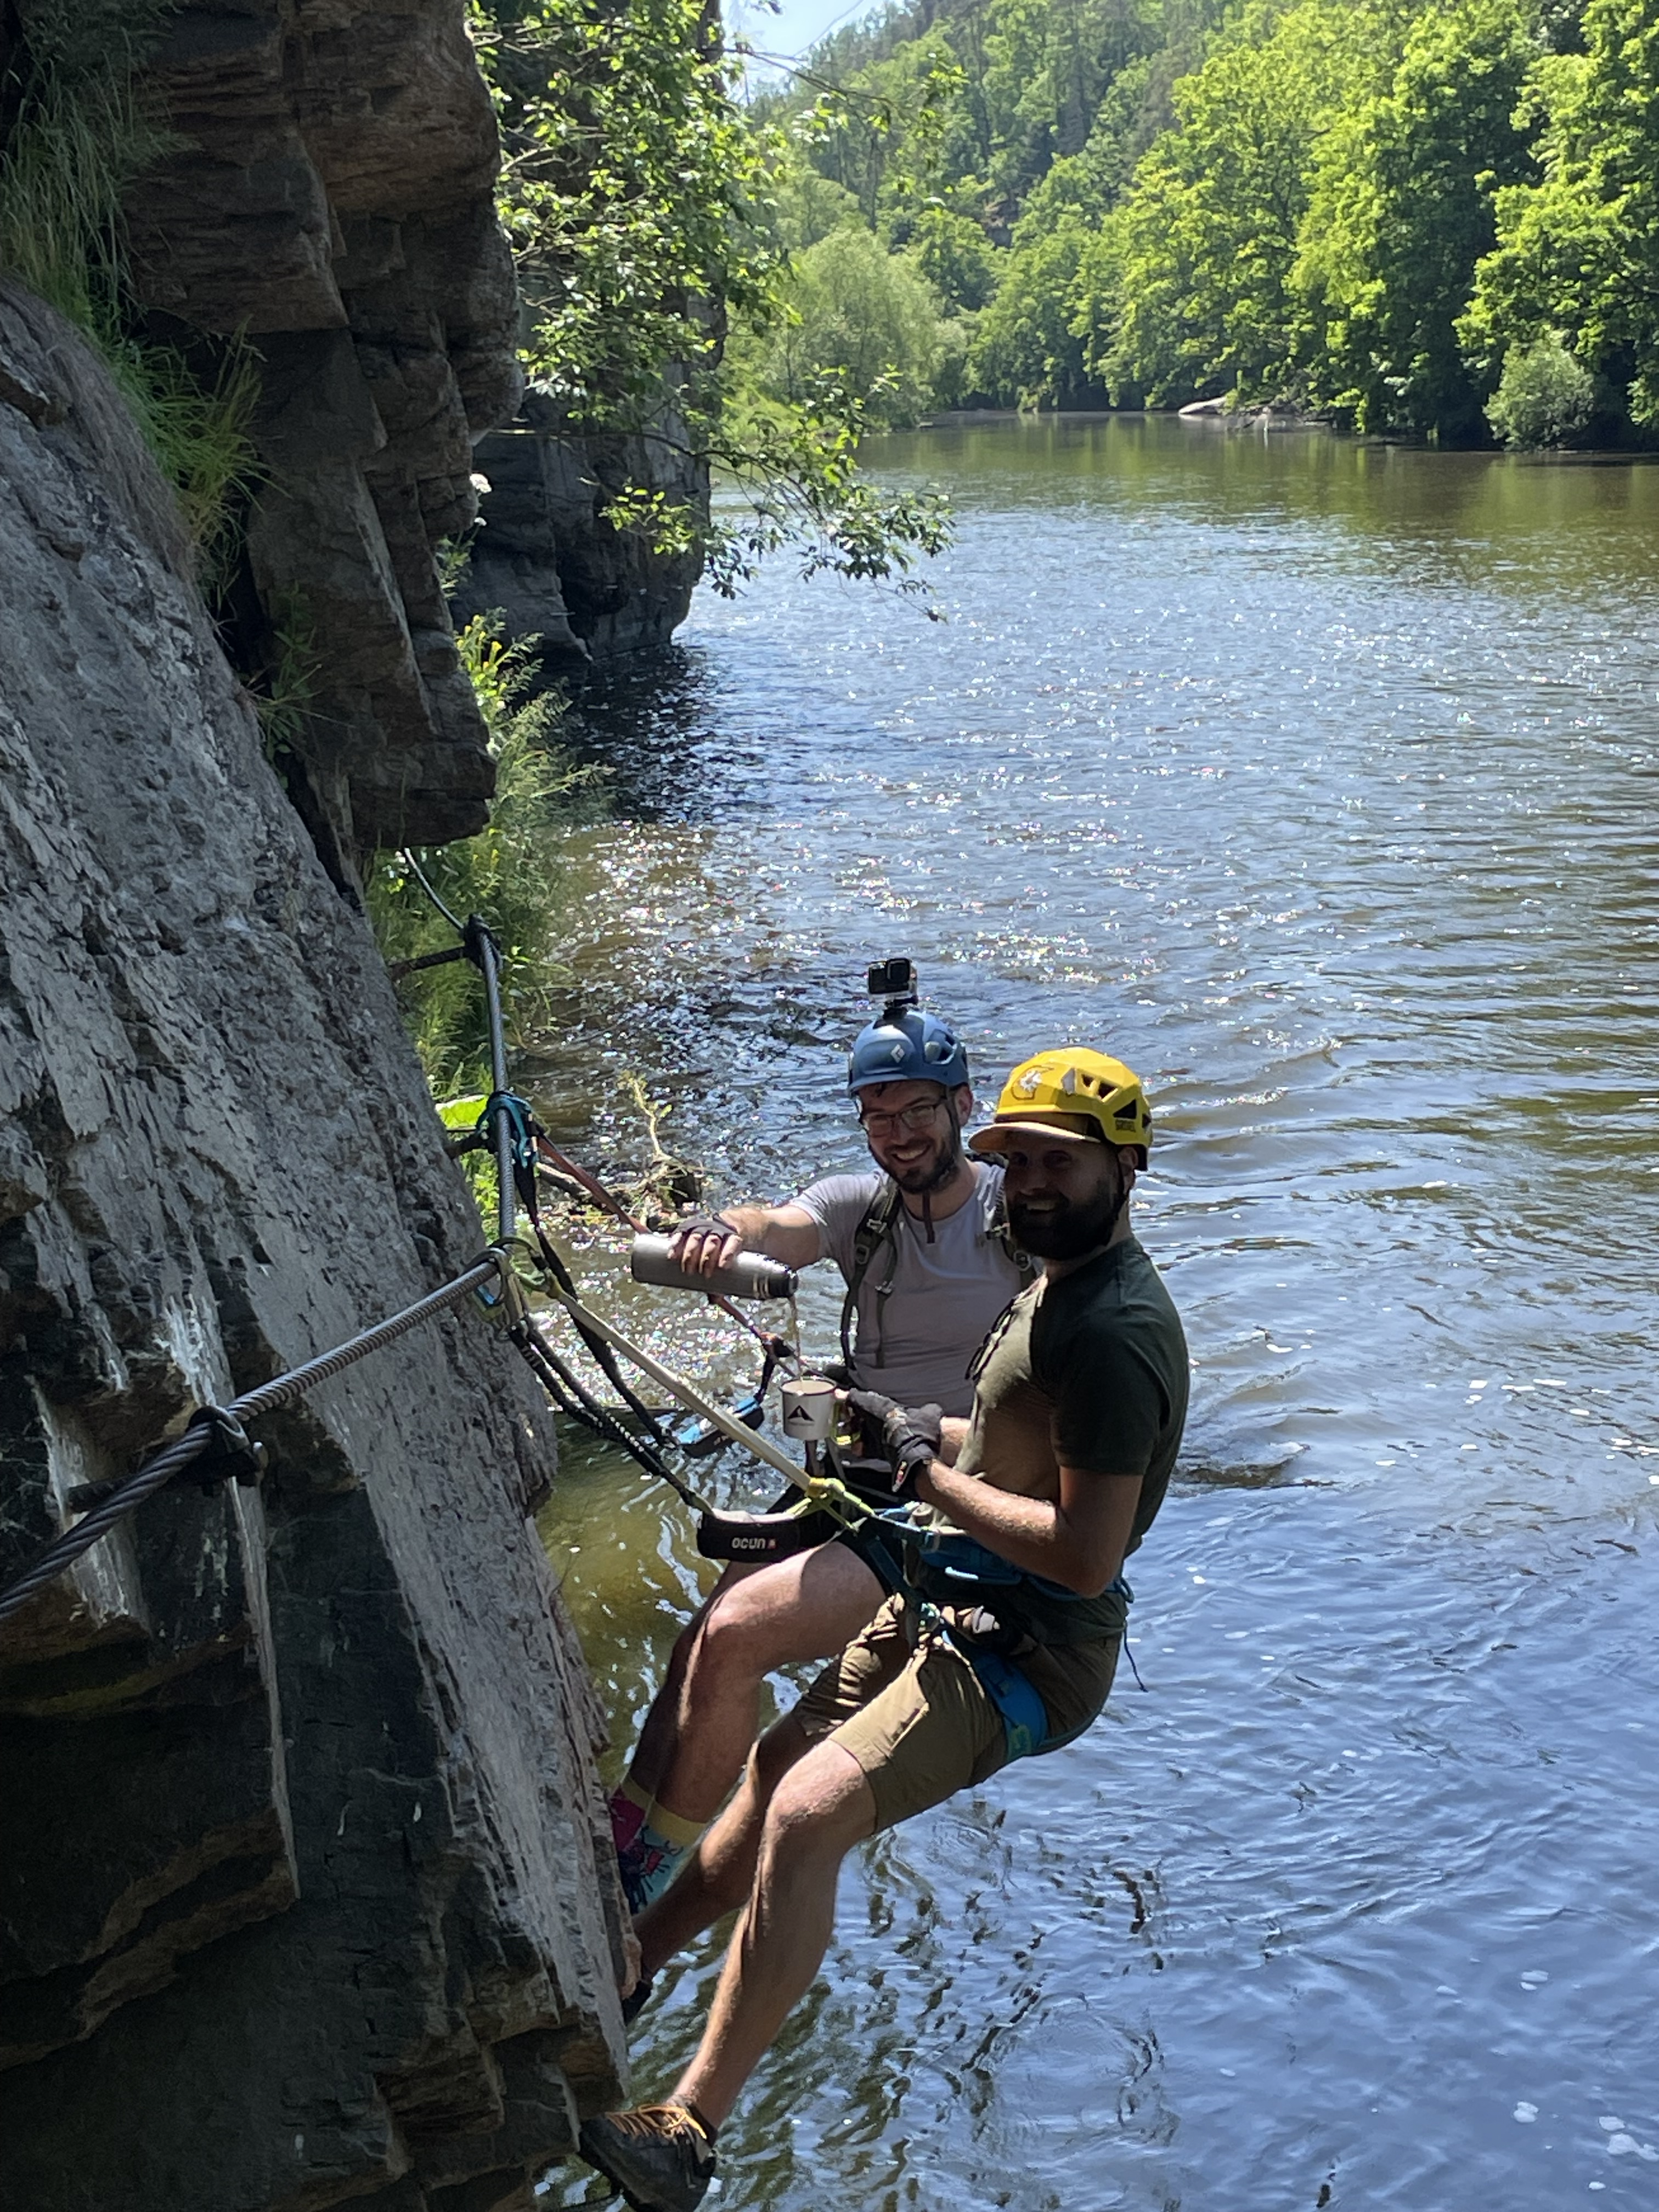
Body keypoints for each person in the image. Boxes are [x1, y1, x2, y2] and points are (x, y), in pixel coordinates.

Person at [579, 1047, 1189, 2212]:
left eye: (1060, 1164)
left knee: (808, 1816)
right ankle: (637, 1958)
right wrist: (908, 1425)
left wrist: (921, 1469)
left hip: (1024, 1651)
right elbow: (1005, 1448)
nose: (1034, 1185)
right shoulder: (1054, 1282)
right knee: (771, 1779)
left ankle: (688, 2134)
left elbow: (1083, 1551)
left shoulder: (1112, 1333)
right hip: (942, 1590)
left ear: (1128, 1167)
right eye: (1020, 1164)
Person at [608, 990, 1031, 1936]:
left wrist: (910, 1428)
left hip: (950, 1495)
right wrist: (724, 1228)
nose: (898, 1134)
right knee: (703, 1633)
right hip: (857, 1471)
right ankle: (629, 1838)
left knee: (737, 1637)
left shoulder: (1019, 1221)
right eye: (878, 1117)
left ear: (965, 1106)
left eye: (918, 1110)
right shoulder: (862, 1208)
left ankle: (641, 1880)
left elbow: (1049, 1400)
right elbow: (776, 1225)